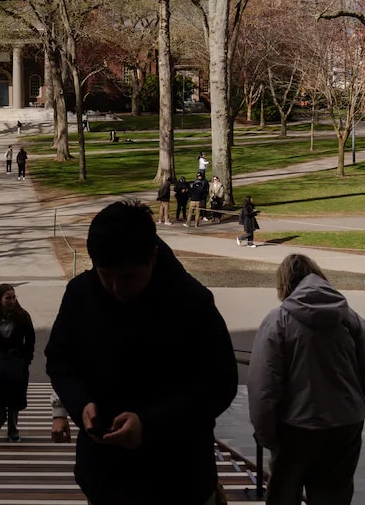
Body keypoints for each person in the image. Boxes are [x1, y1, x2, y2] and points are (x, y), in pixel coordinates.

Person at [45, 199, 238, 505]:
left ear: (153, 256)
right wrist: (80, 403)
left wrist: (150, 424)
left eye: (128, 277)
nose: (117, 289)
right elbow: (59, 359)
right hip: (105, 476)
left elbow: (220, 385)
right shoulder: (80, 293)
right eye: (106, 275)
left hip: (176, 477)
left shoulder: (192, 302)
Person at [248, 254, 365, 505]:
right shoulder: (349, 317)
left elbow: (263, 387)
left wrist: (266, 435)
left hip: (295, 428)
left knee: (283, 496)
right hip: (344, 425)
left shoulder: (278, 320)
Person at [0, 284, 36, 443]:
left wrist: (27, 357)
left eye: (14, 297)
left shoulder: (23, 316)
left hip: (17, 362)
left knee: (15, 397)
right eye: (8, 298)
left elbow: (30, 338)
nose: (12, 300)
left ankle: (12, 429)